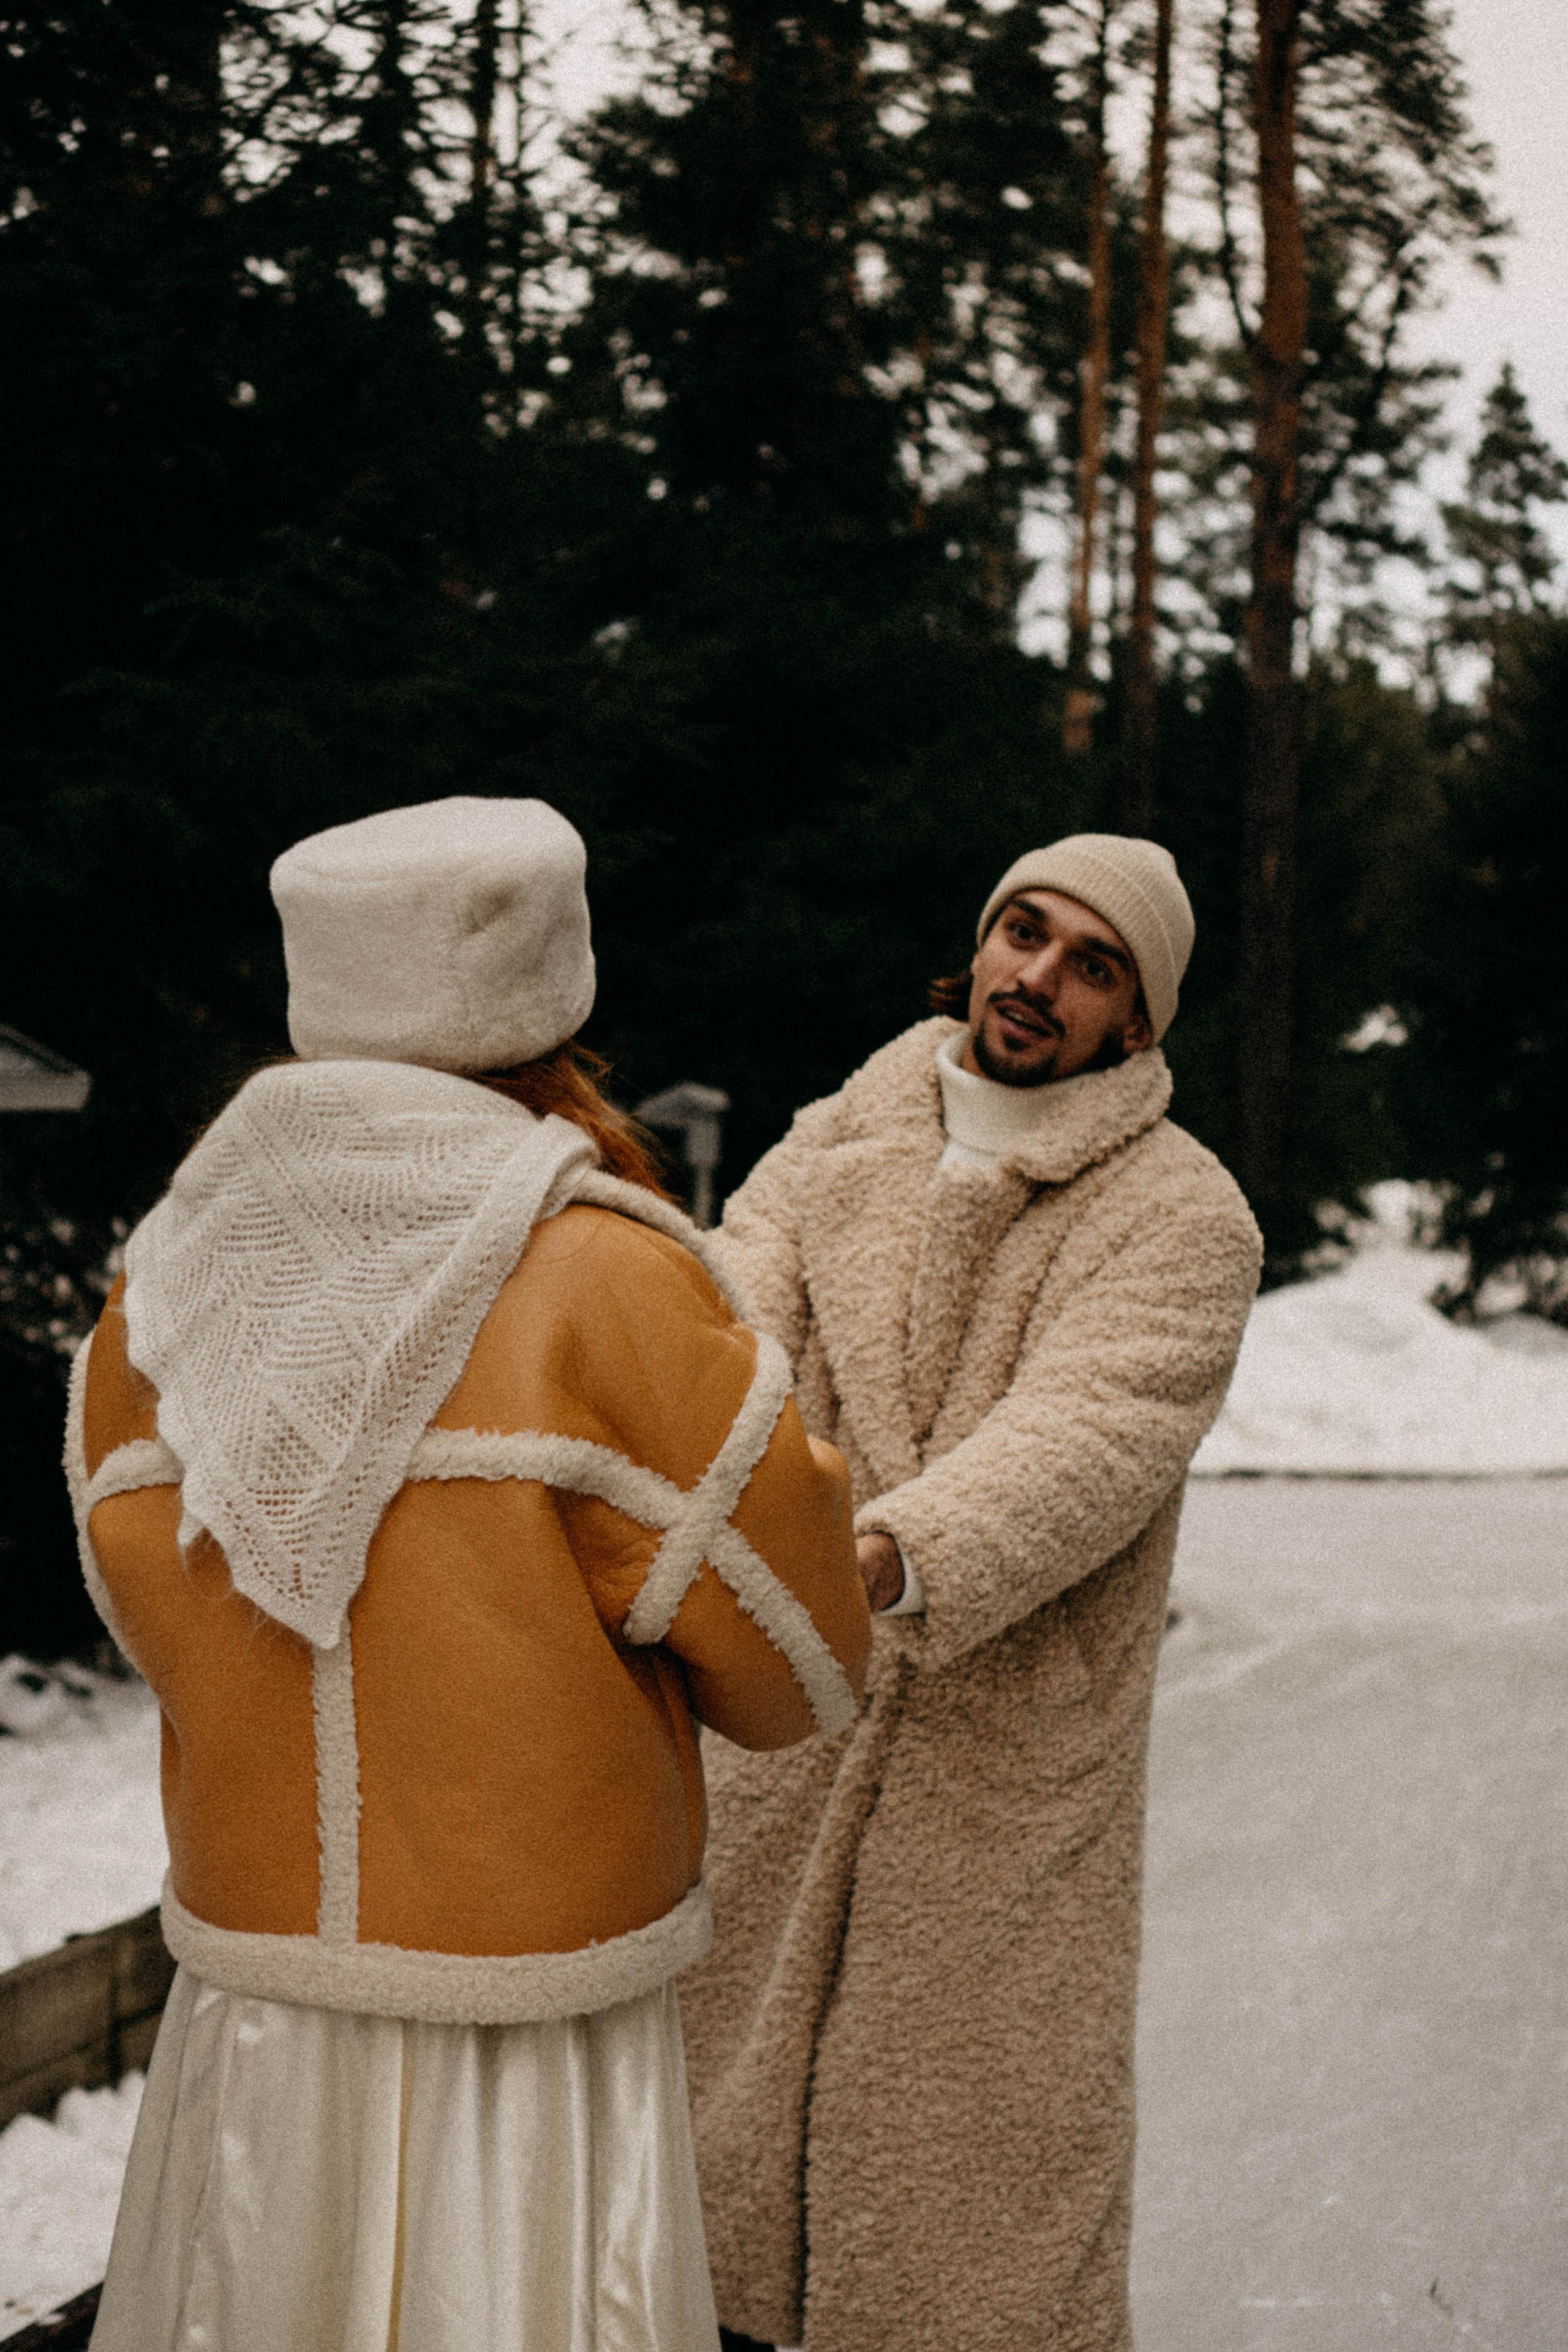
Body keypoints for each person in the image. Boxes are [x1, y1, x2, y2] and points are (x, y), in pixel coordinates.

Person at [65, 795, 870, 2352]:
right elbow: (798, 1669)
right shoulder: (609, 1276)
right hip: (529, 2037)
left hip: (260, 2016)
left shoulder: (154, 1296)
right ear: (545, 1001)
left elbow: (147, 1615)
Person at [679, 834, 1263, 2352]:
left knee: (972, 2202)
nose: (1038, 978)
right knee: (719, 2177)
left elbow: (1092, 1433)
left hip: (999, 1770)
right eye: (1024, 933)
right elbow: (727, 1343)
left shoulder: (1181, 1216)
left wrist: (870, 1552)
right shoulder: (834, 1139)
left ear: (1137, 1021)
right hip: (788, 1733)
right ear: (979, 937)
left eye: (1093, 966)